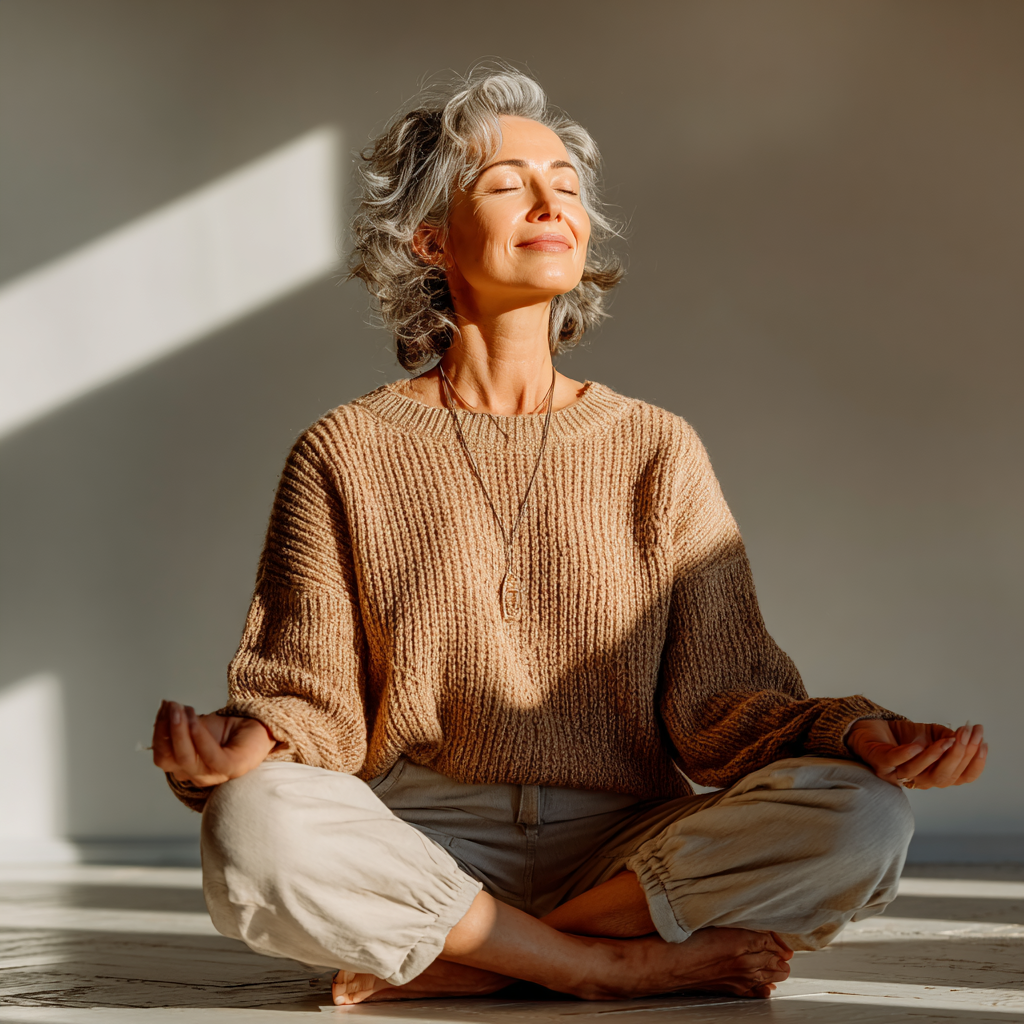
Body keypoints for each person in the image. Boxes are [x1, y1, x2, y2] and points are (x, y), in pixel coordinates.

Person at [151, 67, 987, 1006]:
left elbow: (729, 705)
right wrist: (245, 747)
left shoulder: (654, 446)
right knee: (251, 824)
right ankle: (601, 966)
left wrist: (857, 734)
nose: (551, 202)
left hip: (626, 850)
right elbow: (312, 702)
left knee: (865, 819)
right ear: (431, 241)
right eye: (508, 184)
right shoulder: (346, 449)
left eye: (567, 185)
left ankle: (479, 958)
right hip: (426, 840)